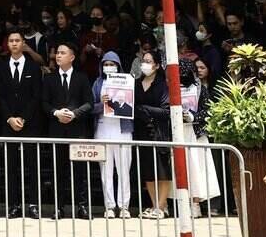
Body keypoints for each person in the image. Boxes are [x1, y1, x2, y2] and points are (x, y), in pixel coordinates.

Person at [40, 41, 93, 218]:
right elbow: (44, 103)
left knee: (80, 171)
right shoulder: (49, 78)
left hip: (77, 131)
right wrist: (56, 113)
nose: (58, 56)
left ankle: (82, 206)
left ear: (72, 57)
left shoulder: (82, 77)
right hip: (57, 130)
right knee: (58, 171)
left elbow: (89, 103)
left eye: (63, 53)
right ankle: (58, 207)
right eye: (57, 53)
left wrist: (74, 113)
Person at [0, 26, 43, 219]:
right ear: (8, 45)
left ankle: (33, 203)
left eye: (17, 41)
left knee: (32, 164)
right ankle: (13, 204)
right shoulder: (1, 66)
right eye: (11, 41)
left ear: (23, 43)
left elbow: (36, 96)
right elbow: (0, 95)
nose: (14, 44)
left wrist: (23, 117)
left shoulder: (33, 67)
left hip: (29, 122)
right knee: (10, 165)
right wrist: (9, 117)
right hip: (8, 122)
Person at [92, 51, 133, 219]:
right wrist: (102, 104)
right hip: (102, 129)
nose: (109, 67)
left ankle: (124, 206)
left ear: (119, 66)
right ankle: (109, 205)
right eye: (106, 64)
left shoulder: (127, 81)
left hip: (122, 130)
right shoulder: (97, 83)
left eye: (112, 64)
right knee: (105, 171)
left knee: (124, 170)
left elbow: (132, 106)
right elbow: (90, 107)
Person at [180, 59, 221, 214]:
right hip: (179, 132)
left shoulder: (200, 90)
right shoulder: (172, 89)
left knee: (196, 168)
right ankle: (183, 203)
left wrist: (192, 116)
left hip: (195, 133)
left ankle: (195, 204)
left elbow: (207, 111)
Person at [134, 49, 171, 218]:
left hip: (158, 132)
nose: (145, 64)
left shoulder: (162, 85)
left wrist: (145, 109)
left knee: (162, 171)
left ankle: (162, 207)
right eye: (144, 60)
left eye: (149, 61)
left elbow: (165, 110)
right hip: (141, 132)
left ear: (156, 65)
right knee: (148, 171)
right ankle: (154, 205)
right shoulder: (136, 83)